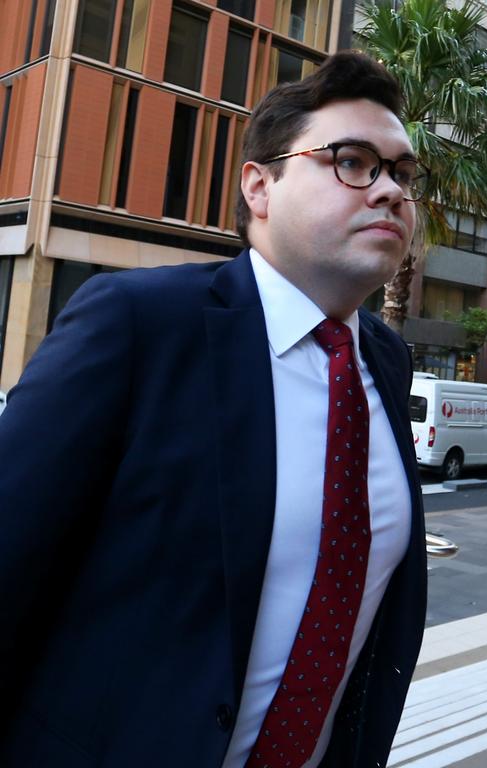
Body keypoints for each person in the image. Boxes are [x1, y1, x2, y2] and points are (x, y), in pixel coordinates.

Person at [0, 52, 429, 767]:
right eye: (353, 161)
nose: (388, 191)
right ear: (259, 187)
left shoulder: (386, 361)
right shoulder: (139, 324)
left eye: (402, 173)